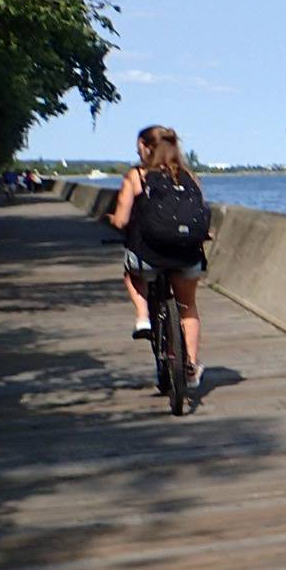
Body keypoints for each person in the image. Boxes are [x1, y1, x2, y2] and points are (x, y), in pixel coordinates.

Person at [105, 124, 208, 389]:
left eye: (138, 147)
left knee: (131, 274)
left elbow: (122, 220)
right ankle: (190, 366)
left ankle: (143, 317)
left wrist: (112, 219)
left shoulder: (137, 176)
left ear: (145, 147)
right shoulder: (190, 177)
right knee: (188, 306)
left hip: (148, 257)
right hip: (187, 255)